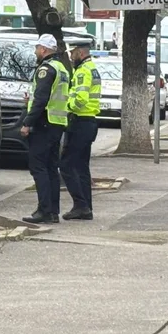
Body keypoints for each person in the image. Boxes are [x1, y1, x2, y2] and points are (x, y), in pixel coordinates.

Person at [20, 34, 69, 224]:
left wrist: (27, 123)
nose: (35, 52)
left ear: (43, 49)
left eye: (37, 48)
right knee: (51, 168)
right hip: (57, 123)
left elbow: (41, 99)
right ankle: (53, 211)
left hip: (44, 123)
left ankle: (44, 211)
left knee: (38, 167)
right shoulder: (62, 68)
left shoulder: (45, 69)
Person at [60, 39, 101, 220]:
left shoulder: (83, 71)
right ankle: (86, 207)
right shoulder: (92, 68)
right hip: (89, 122)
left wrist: (67, 107)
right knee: (82, 166)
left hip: (80, 121)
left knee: (66, 165)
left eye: (73, 52)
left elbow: (81, 99)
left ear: (80, 53)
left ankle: (80, 205)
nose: (71, 56)